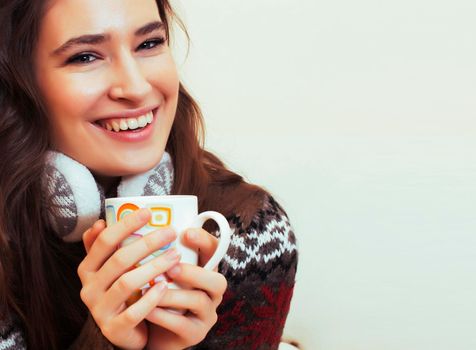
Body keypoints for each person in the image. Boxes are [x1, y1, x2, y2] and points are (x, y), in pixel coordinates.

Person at [0, 0, 298, 349]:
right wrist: (106, 340)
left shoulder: (248, 232)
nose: (137, 87)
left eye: (149, 44)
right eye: (84, 57)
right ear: (18, 86)